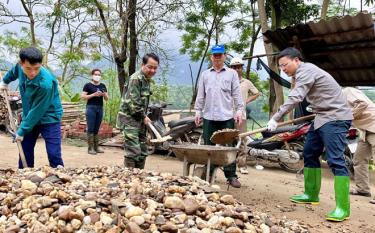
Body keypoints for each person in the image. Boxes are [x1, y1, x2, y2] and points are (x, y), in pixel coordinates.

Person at [267, 47, 353, 222]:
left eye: (285, 65)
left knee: (335, 159)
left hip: (335, 118)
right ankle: (311, 194)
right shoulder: (301, 73)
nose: (283, 69)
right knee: (309, 152)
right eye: (281, 67)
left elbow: (296, 97)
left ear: (296, 60)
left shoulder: (306, 71)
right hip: (321, 117)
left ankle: (342, 208)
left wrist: (276, 117)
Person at [0, 47, 64, 168]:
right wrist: (5, 81)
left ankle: (59, 178)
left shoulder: (46, 84)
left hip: (49, 117)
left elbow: (37, 111)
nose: (33, 73)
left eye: (37, 68)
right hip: (30, 116)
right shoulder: (19, 67)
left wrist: (22, 130)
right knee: (25, 150)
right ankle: (25, 177)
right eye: (28, 68)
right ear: (21, 63)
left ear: (41, 65)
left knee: (54, 153)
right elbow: (14, 72)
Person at [194, 45, 244, 188]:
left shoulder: (232, 74)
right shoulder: (205, 74)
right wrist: (198, 111)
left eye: (220, 55)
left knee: (229, 147)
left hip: (226, 116)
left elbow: (236, 94)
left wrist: (239, 110)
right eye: (215, 55)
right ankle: (208, 172)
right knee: (208, 146)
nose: (217, 58)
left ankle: (231, 175)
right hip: (209, 116)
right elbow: (201, 95)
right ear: (211, 57)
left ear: (224, 56)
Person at [117, 53, 159, 169]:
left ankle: (140, 179)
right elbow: (133, 104)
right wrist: (144, 116)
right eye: (150, 67)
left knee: (143, 151)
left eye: (155, 68)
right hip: (130, 120)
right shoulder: (136, 79)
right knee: (133, 152)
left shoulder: (146, 79)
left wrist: (144, 117)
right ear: (143, 65)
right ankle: (129, 179)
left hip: (139, 121)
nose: (152, 70)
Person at [342, 87, 375, 204]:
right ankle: (363, 189)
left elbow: (363, 103)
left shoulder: (347, 91)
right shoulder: (336, 101)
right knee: (359, 159)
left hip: (373, 125)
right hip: (364, 131)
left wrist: (348, 115)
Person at [230, 57, 260, 174]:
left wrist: (246, 101)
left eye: (238, 67)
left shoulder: (246, 82)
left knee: (241, 140)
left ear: (241, 68)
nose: (236, 69)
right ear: (231, 68)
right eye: (234, 67)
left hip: (240, 116)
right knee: (227, 139)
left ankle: (241, 165)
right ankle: (228, 164)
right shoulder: (227, 81)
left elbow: (256, 93)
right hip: (226, 115)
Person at [81, 69, 109, 155]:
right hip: (90, 108)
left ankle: (96, 147)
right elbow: (83, 97)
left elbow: (107, 98)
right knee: (91, 127)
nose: (97, 76)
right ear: (92, 75)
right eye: (96, 74)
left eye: (99, 74)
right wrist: (93, 94)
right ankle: (90, 148)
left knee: (97, 128)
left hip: (100, 108)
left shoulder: (103, 85)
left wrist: (103, 94)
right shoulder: (88, 85)